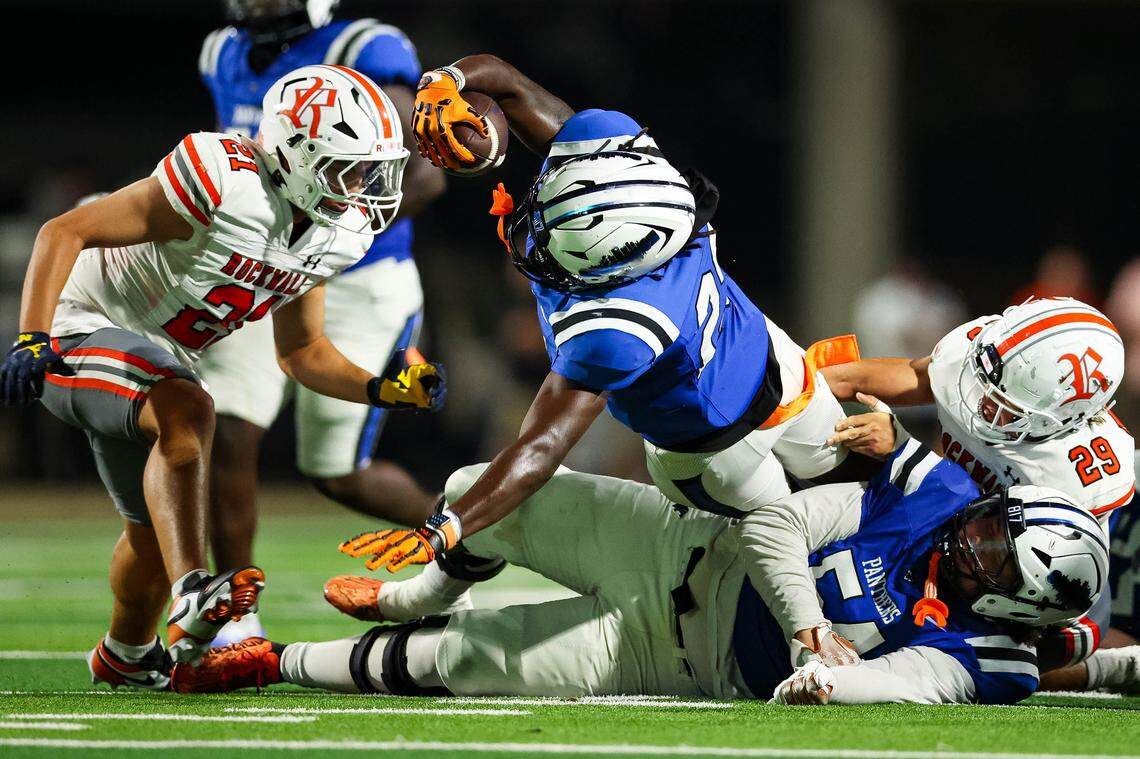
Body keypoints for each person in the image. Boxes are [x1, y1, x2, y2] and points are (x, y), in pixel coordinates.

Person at [332, 53, 878, 585]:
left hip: (717, 450)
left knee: (810, 543)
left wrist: (442, 529)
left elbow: (540, 448)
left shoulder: (615, 330)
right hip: (771, 372)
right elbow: (508, 83)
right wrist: (448, 82)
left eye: (548, 226)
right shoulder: (623, 176)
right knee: (840, 518)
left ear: (597, 265)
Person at [0, 65, 444, 689]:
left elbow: (305, 352)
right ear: (299, 157)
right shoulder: (223, 179)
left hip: (153, 361)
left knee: (153, 529)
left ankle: (125, 654)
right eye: (350, 168)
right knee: (191, 409)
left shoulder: (331, 234)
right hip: (77, 329)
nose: (365, 185)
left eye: (371, 168)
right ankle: (193, 592)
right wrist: (32, 334)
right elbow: (65, 230)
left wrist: (379, 389)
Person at [172, 439, 1107, 705]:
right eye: (990, 522)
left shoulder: (988, 657)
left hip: (672, 657)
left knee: (460, 662)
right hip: (676, 542)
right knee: (477, 488)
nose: (973, 535)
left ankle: (276, 659)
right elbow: (778, 516)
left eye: (992, 550)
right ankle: (417, 589)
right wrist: (806, 630)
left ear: (1010, 596)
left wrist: (831, 674)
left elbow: (889, 686)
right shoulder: (935, 495)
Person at [197, 1, 446, 642]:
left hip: (359, 276)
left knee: (339, 473)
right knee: (226, 432)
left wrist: (326, 236)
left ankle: (462, 539)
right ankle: (235, 620)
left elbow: (419, 175)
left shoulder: (365, 46)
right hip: (263, 266)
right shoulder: (222, 52)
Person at [820, 296, 1136, 684]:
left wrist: (904, 447)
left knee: (1013, 656)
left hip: (1018, 578)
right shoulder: (993, 354)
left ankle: (1109, 669)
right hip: (945, 516)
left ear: (1064, 421)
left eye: (1005, 407)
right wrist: (814, 383)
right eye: (985, 385)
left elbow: (1040, 588)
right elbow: (920, 375)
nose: (979, 402)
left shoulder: (1078, 477)